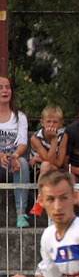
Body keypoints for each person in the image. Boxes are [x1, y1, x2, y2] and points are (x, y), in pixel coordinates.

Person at [29, 105, 79, 224]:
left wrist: (41, 156)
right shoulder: (36, 138)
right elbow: (49, 161)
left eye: (55, 122)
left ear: (61, 123)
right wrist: (52, 144)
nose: (51, 125)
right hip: (40, 173)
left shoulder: (63, 136)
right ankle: (40, 198)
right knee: (45, 165)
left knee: (71, 181)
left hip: (58, 170)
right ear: (42, 122)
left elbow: (59, 162)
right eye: (48, 121)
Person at [0, 76, 31, 227]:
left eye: (7, 87)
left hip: (13, 161)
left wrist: (15, 155)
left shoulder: (20, 117)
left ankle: (21, 214)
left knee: (23, 163)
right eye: (1, 87)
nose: (5, 91)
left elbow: (23, 143)